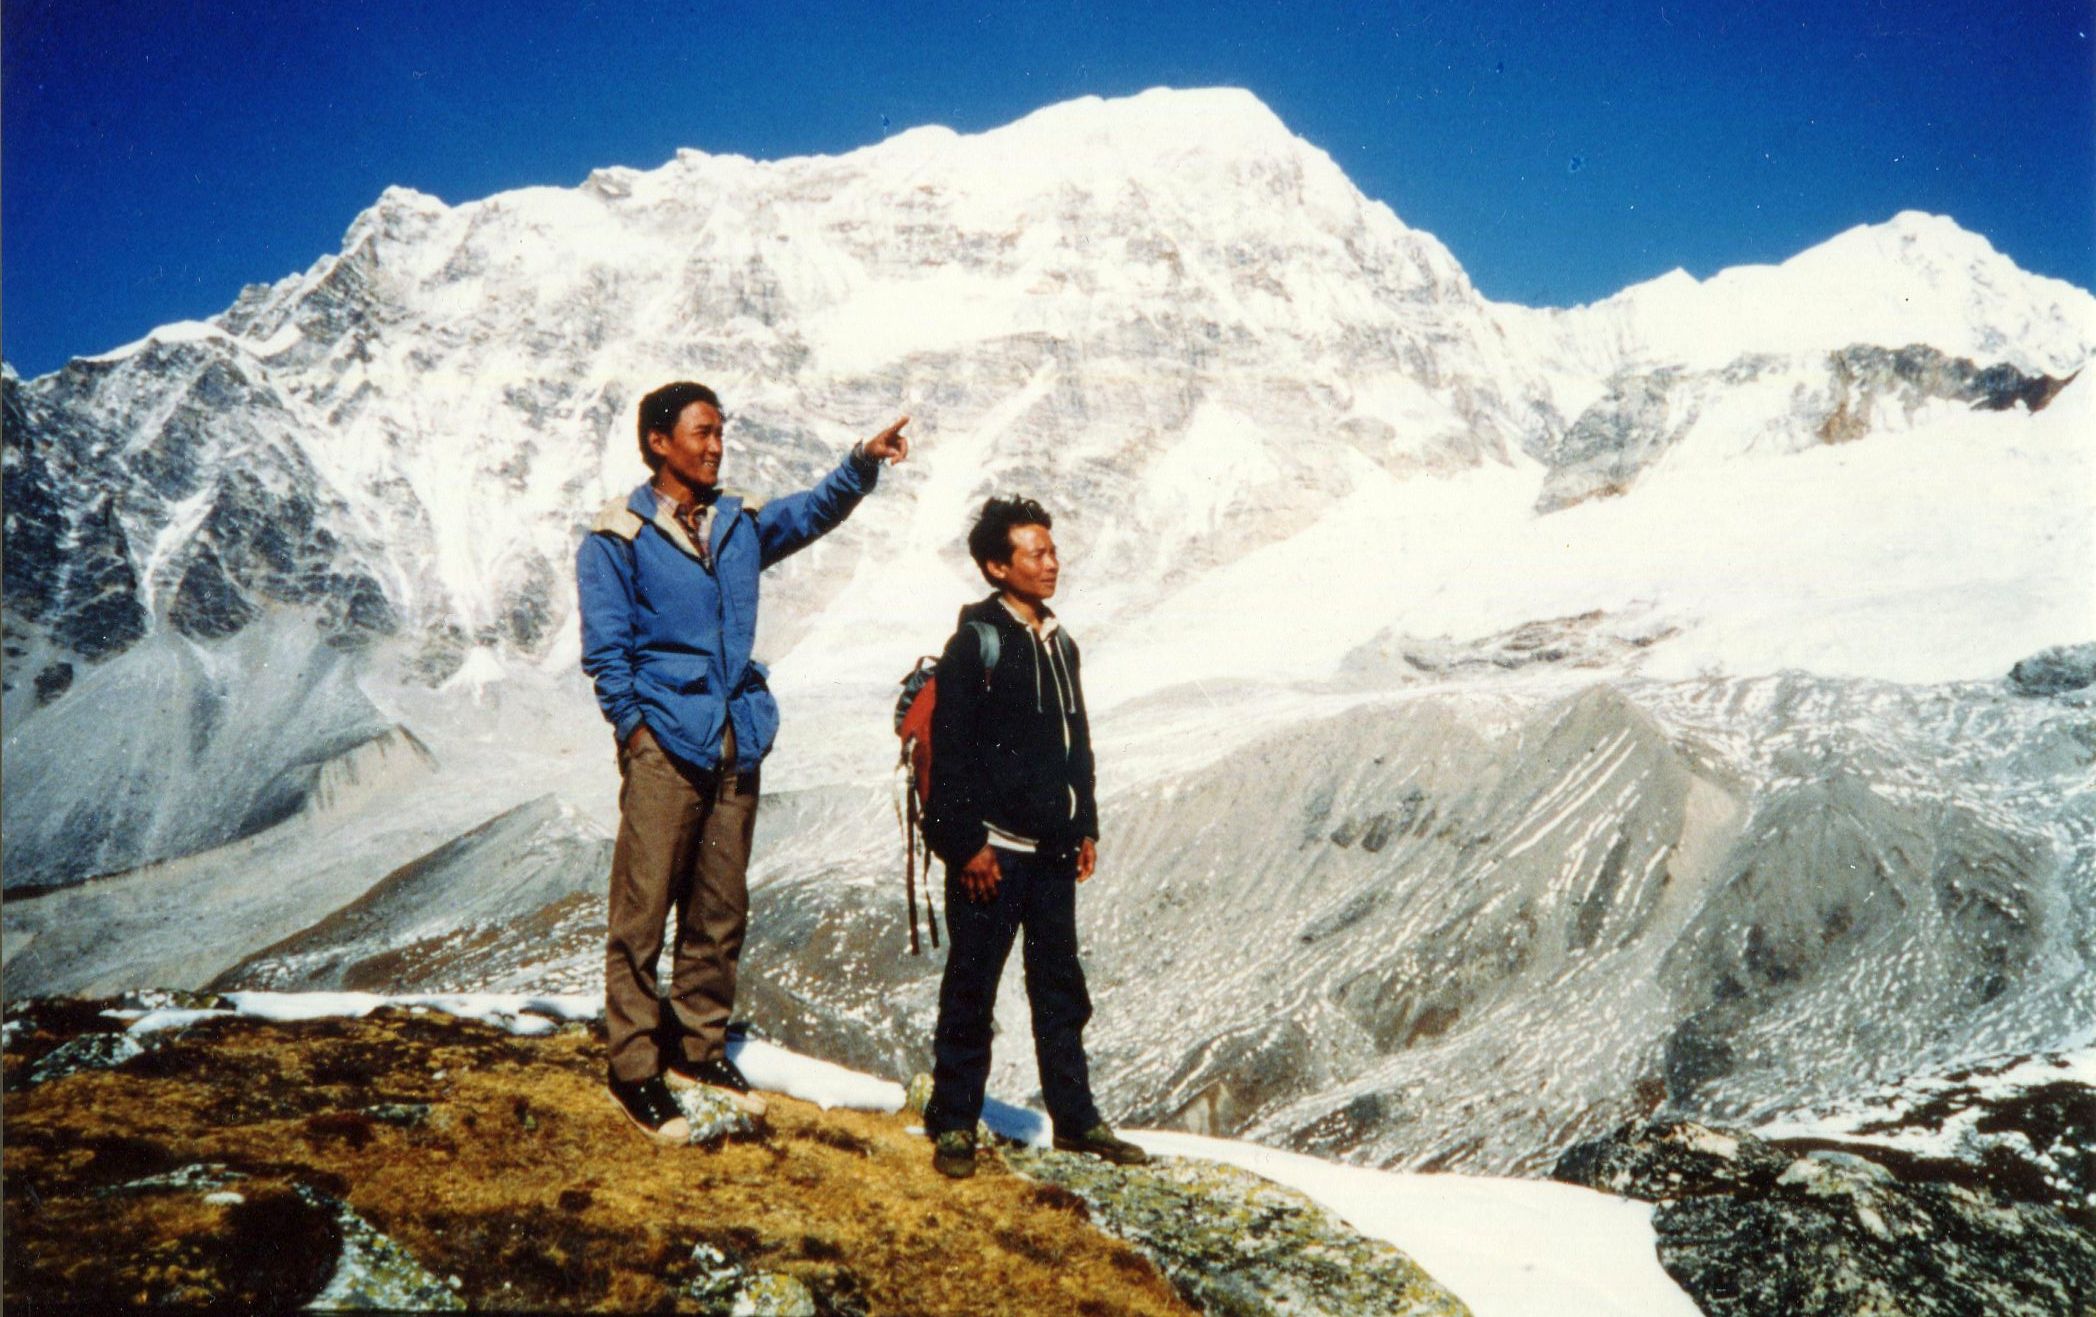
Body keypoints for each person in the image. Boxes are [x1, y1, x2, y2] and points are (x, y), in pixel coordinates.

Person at [578, 380, 907, 1144]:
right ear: (659, 441)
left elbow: (813, 511)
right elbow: (606, 651)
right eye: (702, 432)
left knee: (719, 909)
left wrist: (862, 462)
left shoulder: (738, 520)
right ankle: (632, 1066)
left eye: (721, 431)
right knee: (643, 910)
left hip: (735, 736)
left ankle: (698, 1047)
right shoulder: (617, 536)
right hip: (665, 739)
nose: (717, 445)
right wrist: (635, 731)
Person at [919, 496, 1149, 1177]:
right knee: (973, 986)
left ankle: (1077, 1121)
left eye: (1052, 550)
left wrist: (1085, 825)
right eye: (1035, 552)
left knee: (1059, 989)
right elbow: (952, 750)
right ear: (997, 565)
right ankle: (955, 1120)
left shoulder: (1059, 640)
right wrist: (964, 845)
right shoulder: (978, 642)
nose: (1051, 562)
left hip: (1051, 851)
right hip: (992, 852)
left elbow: (1077, 742)